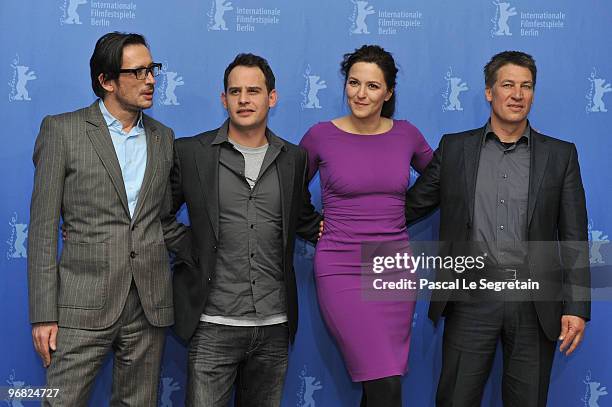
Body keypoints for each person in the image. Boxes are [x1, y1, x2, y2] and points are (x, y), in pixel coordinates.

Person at [405, 51, 590, 406]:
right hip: (470, 297)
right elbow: (411, 207)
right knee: (456, 399)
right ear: (489, 92)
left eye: (526, 86)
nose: (517, 95)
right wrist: (349, 215)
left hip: (535, 302)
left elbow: (574, 235)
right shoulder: (454, 148)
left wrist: (577, 306)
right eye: (508, 85)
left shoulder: (561, 155)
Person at [28, 32, 186, 406]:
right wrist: (42, 315)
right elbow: (41, 231)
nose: (150, 80)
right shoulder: (63, 131)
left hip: (148, 304)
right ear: (106, 81)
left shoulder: (164, 138)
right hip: (81, 302)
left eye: (153, 69)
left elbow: (160, 218)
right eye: (138, 72)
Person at [168, 53, 322, 407]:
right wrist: (195, 246)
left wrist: (360, 230)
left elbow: (304, 220)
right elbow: (159, 216)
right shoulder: (191, 152)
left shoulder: (294, 158)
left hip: (274, 326)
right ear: (223, 99)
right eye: (234, 91)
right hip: (211, 324)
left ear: (272, 97)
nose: (243, 99)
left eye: (253, 90)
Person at [299, 44, 433, 407]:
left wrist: (402, 213)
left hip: (393, 267)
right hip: (341, 266)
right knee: (385, 381)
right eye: (354, 82)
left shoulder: (406, 134)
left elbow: (440, 179)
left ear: (388, 93)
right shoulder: (319, 136)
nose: (361, 93)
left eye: (373, 86)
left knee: (382, 379)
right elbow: (289, 189)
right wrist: (312, 227)